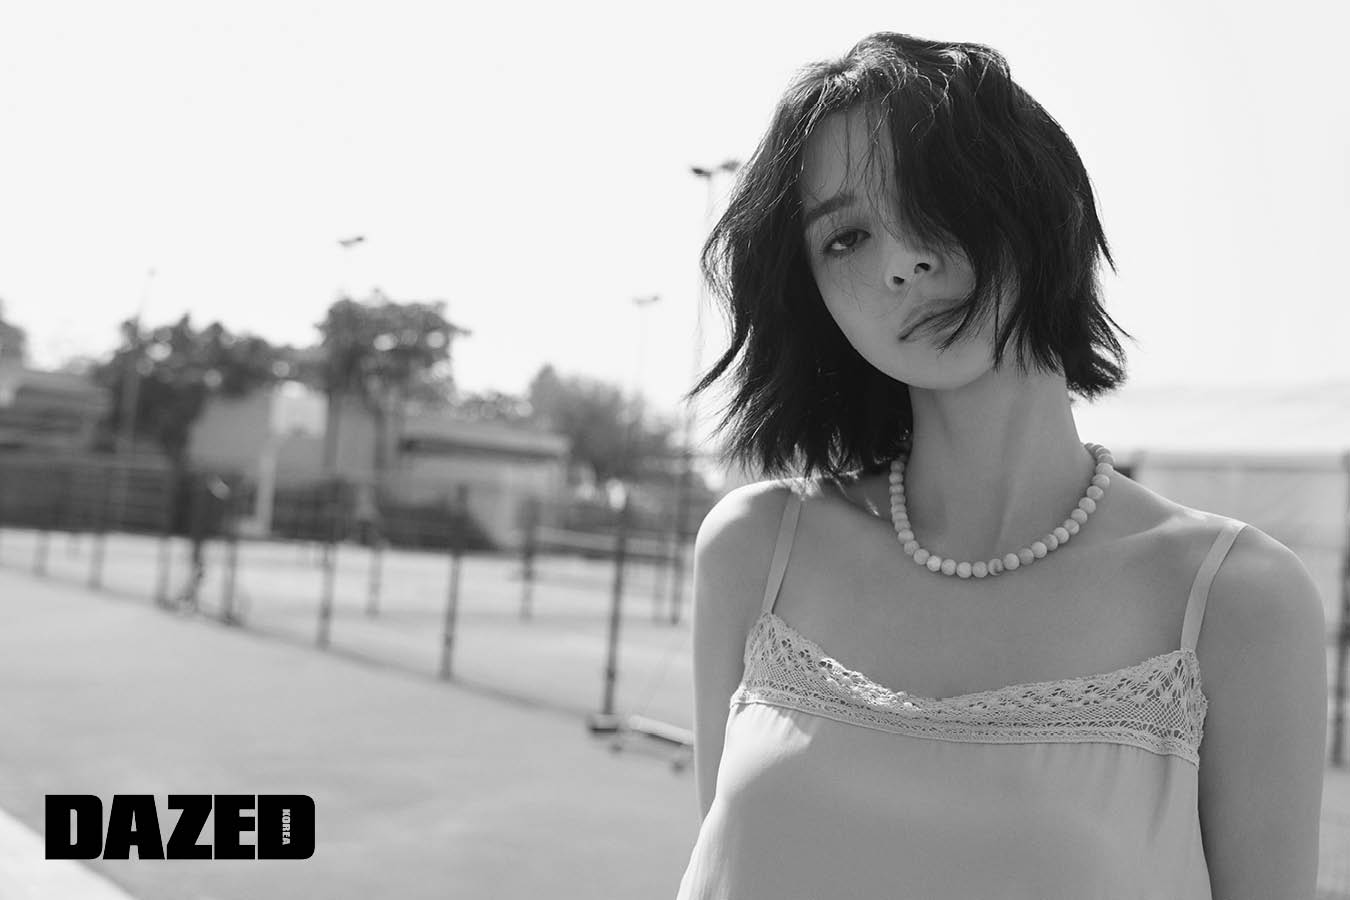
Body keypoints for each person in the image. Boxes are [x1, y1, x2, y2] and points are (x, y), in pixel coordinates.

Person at [675, 32, 1326, 899]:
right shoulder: (757, 551)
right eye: (845, 237)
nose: (900, 261)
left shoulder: (1236, 601)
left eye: (932, 196)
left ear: (1034, 204)